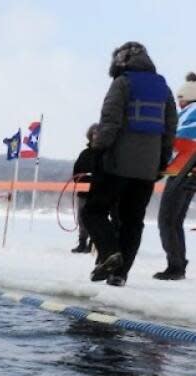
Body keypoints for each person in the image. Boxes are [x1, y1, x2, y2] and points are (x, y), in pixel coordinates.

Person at [83, 42, 177, 287]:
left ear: (121, 61)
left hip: (117, 164)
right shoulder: (164, 89)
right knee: (132, 221)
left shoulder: (122, 83)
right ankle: (119, 274)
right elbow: (169, 130)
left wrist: (98, 148)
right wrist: (161, 162)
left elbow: (110, 121)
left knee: (93, 211)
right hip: (147, 170)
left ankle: (109, 253)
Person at [154, 73, 196, 280]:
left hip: (183, 170)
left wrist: (158, 169)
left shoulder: (191, 112)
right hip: (189, 172)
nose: (178, 102)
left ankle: (176, 266)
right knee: (175, 220)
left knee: (167, 219)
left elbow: (179, 145)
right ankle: (178, 261)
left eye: (181, 98)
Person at [71, 124, 100, 253]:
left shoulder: (104, 154)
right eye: (94, 133)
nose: (96, 136)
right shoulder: (84, 154)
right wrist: (80, 179)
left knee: (95, 218)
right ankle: (82, 242)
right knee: (82, 218)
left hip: (98, 193)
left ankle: (93, 243)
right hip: (83, 193)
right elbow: (76, 172)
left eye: (98, 133)